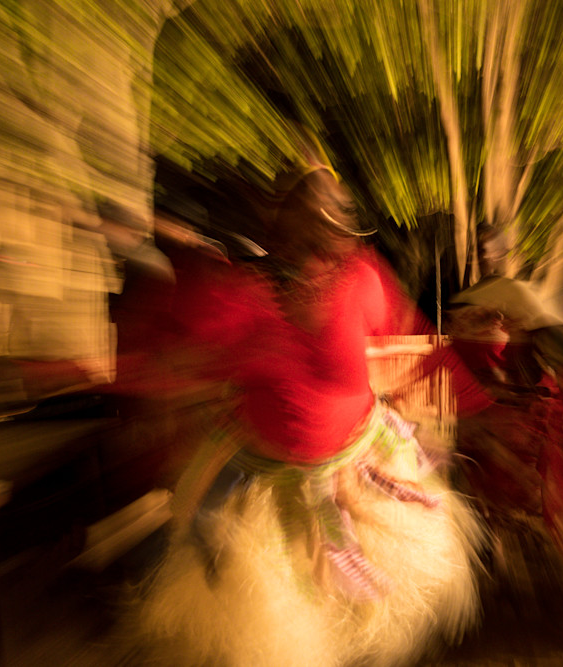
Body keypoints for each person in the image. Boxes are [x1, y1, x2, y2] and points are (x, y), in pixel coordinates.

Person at [125, 167, 490, 667]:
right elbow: (189, 362)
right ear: (281, 223)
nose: (316, 225)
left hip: (354, 463)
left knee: (345, 595)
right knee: (255, 585)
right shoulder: (244, 291)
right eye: (303, 214)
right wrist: (148, 391)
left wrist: (478, 405)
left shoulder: (362, 278)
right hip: (264, 472)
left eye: (329, 214)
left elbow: (413, 337)